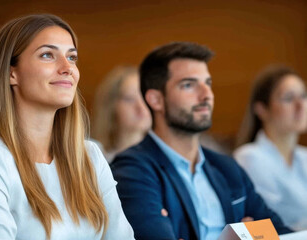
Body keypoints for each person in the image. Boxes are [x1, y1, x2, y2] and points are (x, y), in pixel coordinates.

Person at [0, 14, 134, 240]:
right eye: (47, 55)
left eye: (72, 58)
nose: (68, 68)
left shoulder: (90, 155)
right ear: (11, 73)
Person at [111, 42, 292, 240]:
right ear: (156, 100)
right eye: (188, 85)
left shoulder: (227, 168)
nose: (206, 95)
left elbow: (283, 235)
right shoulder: (132, 170)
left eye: (208, 83)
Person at [234, 65, 307, 231]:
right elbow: (269, 221)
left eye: (303, 96)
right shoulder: (250, 157)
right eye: (288, 98)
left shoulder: (305, 157)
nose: (300, 105)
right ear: (262, 109)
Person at [92, 66, 151, 162]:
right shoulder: (96, 159)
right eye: (129, 99)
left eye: (144, 97)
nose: (141, 107)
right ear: (111, 105)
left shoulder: (165, 158)